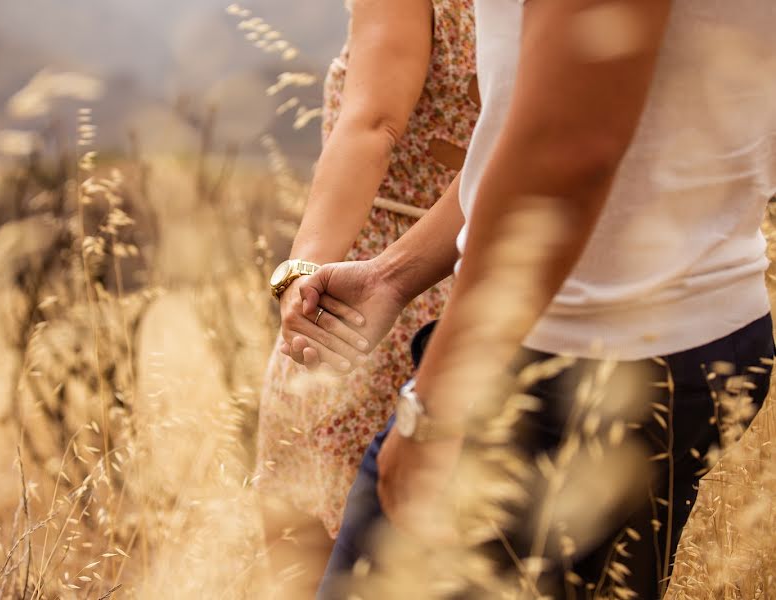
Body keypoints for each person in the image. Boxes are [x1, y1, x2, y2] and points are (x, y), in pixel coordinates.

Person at [281, 0, 776, 597]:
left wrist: (437, 406)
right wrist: (392, 274)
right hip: (702, 332)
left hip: (561, 361)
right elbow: (535, 135)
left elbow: (565, 147)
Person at [255, 0, 479, 595]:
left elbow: (372, 124)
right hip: (475, 307)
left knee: (310, 568)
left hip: (359, 300)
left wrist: (305, 270)